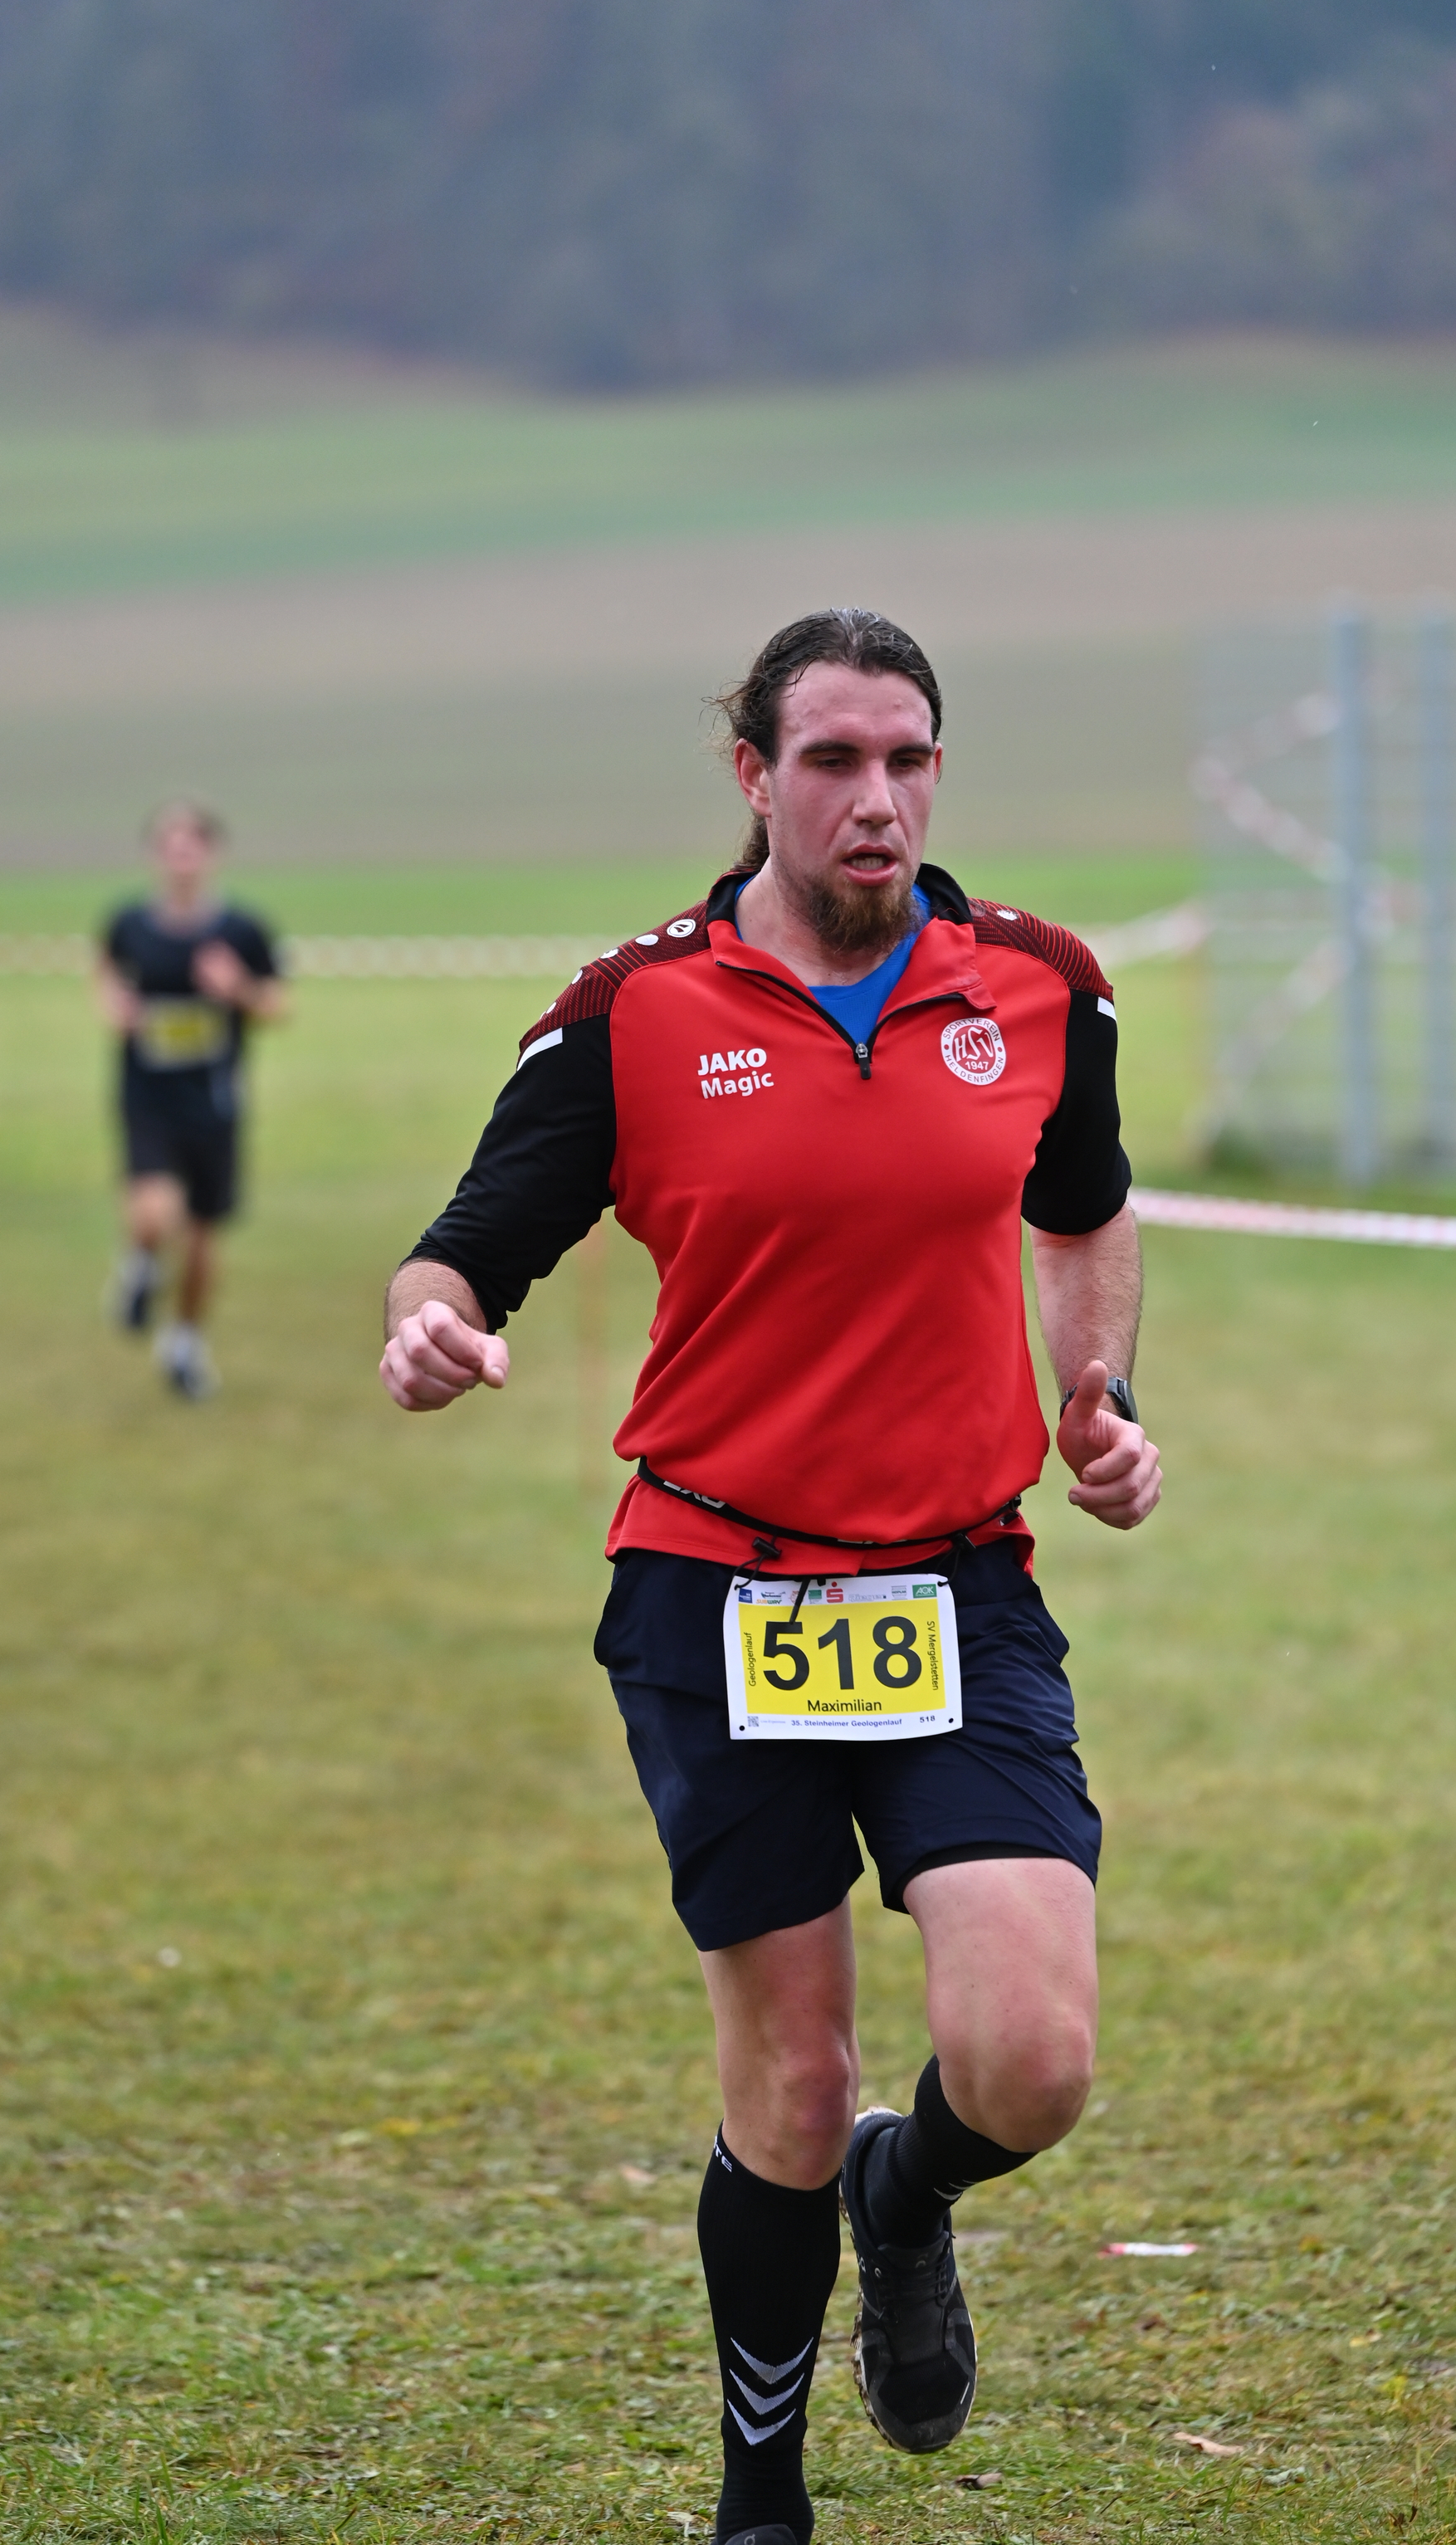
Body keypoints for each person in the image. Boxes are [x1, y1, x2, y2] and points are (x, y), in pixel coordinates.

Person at [379, 609, 1161, 2545]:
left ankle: (911, 2192)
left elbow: (1082, 1204)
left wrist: (1098, 1394)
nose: (875, 796)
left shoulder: (1038, 984)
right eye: (831, 758)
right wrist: (433, 1321)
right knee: (792, 2083)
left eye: (907, 758)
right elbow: (466, 1242)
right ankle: (760, 2501)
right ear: (752, 773)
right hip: (712, 1590)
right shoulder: (633, 1010)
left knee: (1030, 2060)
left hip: (957, 1583)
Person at [97, 801, 285, 1400]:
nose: (181, 858)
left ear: (211, 854)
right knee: (154, 1213)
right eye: (170, 846)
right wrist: (116, 1007)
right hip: (147, 1095)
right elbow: (106, 973)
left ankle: (184, 1342)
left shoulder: (242, 931)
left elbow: (277, 1006)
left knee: (203, 1237)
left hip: (214, 1102)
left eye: (192, 846)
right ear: (155, 855)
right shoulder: (129, 924)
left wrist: (238, 988)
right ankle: (141, 1268)